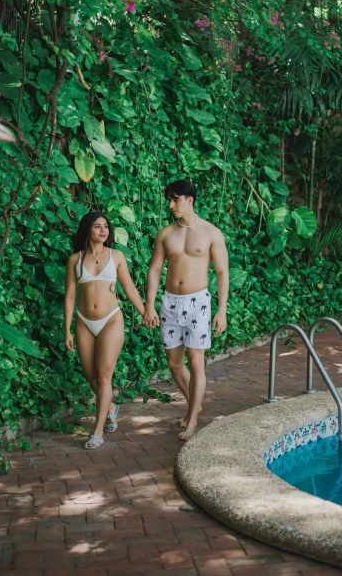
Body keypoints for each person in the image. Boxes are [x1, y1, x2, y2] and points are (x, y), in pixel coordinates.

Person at [143, 180, 229, 441]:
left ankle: (192, 421)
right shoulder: (165, 233)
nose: (171, 205)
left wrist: (221, 310)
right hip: (170, 303)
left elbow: (222, 272)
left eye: (175, 199)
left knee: (196, 362)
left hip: (198, 304)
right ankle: (194, 402)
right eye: (169, 199)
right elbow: (155, 269)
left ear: (190, 200)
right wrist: (149, 304)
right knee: (174, 364)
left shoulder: (211, 233)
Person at [64, 211, 145, 449]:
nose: (103, 230)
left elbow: (129, 288)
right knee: (91, 376)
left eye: (106, 226)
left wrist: (145, 312)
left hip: (111, 319)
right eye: (98, 226)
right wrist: (66, 330)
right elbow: (70, 296)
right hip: (83, 322)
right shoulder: (75, 260)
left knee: (103, 375)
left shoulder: (117, 256)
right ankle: (110, 407)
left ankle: (98, 431)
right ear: (87, 230)